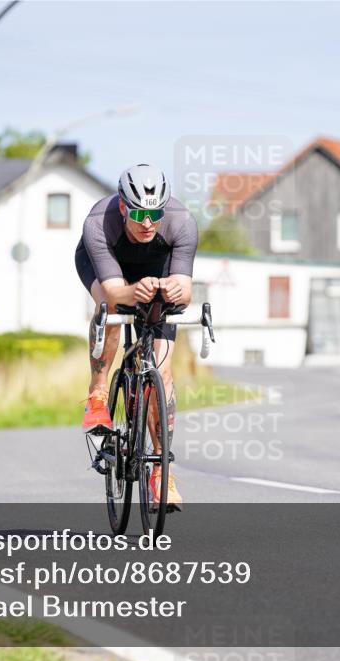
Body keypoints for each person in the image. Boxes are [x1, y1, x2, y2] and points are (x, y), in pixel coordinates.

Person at [74, 164, 198, 509]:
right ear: (123, 206)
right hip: (108, 268)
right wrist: (132, 291)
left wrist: (174, 290)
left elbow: (186, 292)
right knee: (111, 309)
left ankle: (161, 471)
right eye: (140, 213)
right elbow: (116, 293)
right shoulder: (98, 222)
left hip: (156, 268)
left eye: (155, 214)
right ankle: (98, 393)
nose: (148, 223)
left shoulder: (182, 222)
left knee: (163, 371)